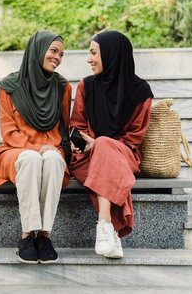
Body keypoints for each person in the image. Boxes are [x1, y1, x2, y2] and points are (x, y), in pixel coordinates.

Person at [69, 31, 153, 259]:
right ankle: (112, 231)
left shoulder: (140, 92)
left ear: (112, 55)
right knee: (103, 152)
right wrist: (82, 142)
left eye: (94, 53)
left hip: (125, 154)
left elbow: (134, 138)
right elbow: (77, 125)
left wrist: (98, 144)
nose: (88, 59)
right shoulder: (86, 86)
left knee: (105, 146)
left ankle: (105, 223)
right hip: (86, 158)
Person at [0, 30, 72, 264]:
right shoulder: (9, 86)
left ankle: (44, 236)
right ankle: (28, 235)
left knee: (54, 159)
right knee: (32, 159)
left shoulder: (63, 87)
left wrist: (56, 150)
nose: (58, 57)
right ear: (38, 50)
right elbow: (8, 132)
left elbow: (64, 131)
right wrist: (36, 149)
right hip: (15, 152)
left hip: (51, 152)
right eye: (53, 51)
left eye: (61, 54)